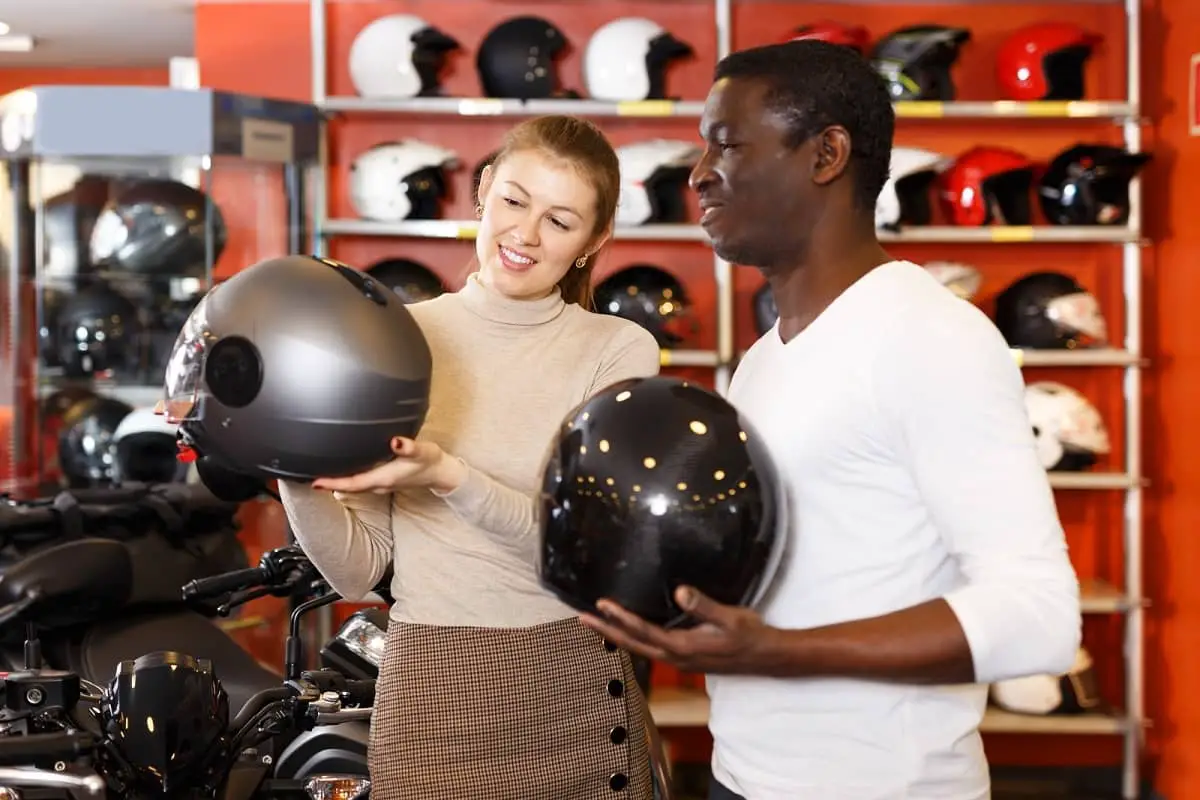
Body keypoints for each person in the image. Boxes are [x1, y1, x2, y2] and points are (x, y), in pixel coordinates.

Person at [580, 41, 1083, 800]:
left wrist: (778, 651)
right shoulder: (765, 360)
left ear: (827, 154)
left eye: (728, 143)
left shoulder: (929, 335)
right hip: (744, 778)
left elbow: (1038, 615)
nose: (699, 173)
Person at [277, 115, 663, 800]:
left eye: (560, 220)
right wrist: (288, 467)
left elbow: (589, 547)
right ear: (483, 192)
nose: (526, 235)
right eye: (514, 201)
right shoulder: (395, 340)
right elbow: (360, 570)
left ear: (595, 240)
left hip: (574, 684)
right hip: (432, 688)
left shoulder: (617, 349)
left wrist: (447, 476)